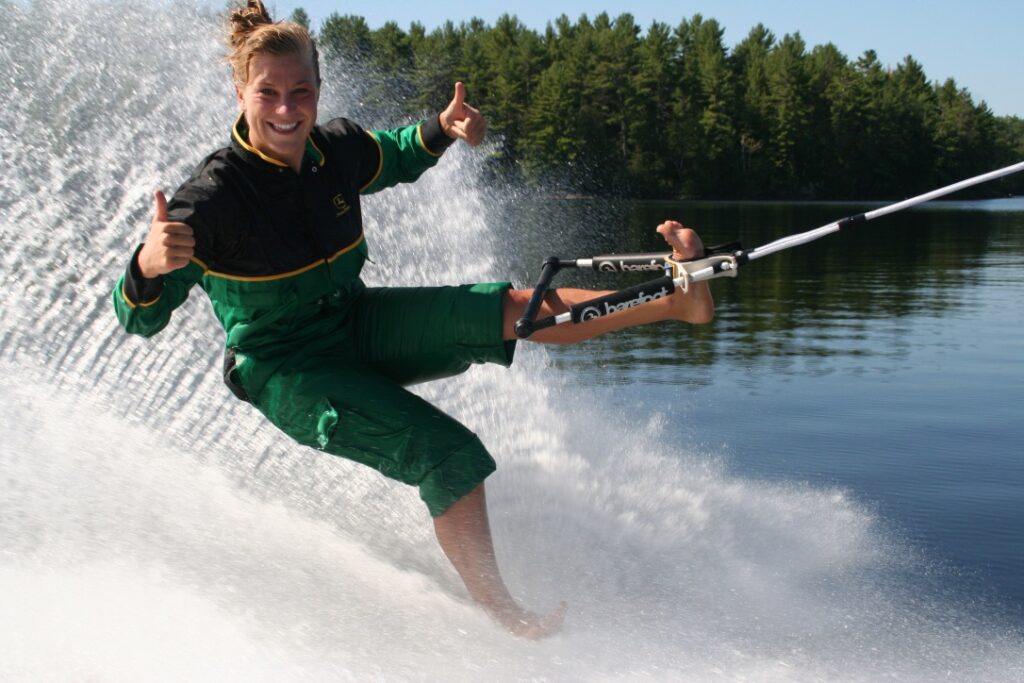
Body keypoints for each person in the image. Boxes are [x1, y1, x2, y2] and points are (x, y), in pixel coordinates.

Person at [112, 0, 714, 639]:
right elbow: (138, 321)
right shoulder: (211, 201)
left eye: (301, 91)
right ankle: (505, 617)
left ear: (317, 90)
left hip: (352, 319)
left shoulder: (335, 149)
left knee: (508, 308)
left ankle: (676, 299)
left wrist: (444, 129)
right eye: (269, 94)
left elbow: (395, 153)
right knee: (447, 454)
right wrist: (147, 267)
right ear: (241, 94)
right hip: (287, 367)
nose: (287, 109)